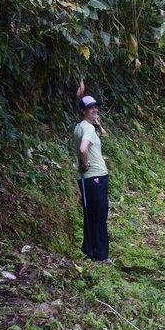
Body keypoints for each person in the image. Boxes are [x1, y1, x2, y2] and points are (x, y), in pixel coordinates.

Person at [73, 95, 109, 262]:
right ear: (82, 111)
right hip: (96, 176)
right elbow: (83, 149)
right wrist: (86, 164)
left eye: (96, 107)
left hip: (85, 178)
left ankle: (90, 251)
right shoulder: (88, 128)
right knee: (100, 217)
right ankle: (101, 256)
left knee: (90, 215)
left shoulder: (78, 127)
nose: (94, 110)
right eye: (90, 108)